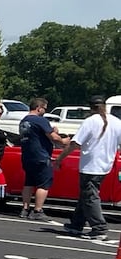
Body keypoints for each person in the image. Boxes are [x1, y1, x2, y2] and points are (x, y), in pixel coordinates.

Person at [55, 95, 121, 238]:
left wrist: (59, 158)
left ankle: (99, 228)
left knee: (90, 196)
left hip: (91, 165)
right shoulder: (116, 122)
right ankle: (76, 224)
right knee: (86, 195)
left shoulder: (90, 121)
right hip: (105, 165)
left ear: (90, 108)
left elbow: (75, 143)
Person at [18, 98, 65, 221]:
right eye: (44, 108)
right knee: (43, 184)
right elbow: (54, 137)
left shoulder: (24, 121)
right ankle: (37, 210)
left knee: (29, 183)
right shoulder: (40, 120)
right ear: (39, 108)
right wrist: (63, 140)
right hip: (41, 156)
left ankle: (25, 209)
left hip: (27, 156)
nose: (45, 111)